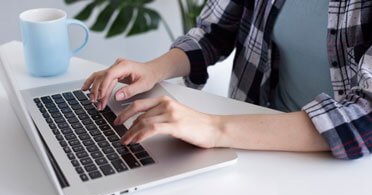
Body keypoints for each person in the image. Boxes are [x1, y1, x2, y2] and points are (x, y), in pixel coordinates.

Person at [82, 0, 372, 160]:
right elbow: (215, 31)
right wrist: (154, 69)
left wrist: (212, 127)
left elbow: (365, 116)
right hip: (253, 137)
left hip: (338, 162)